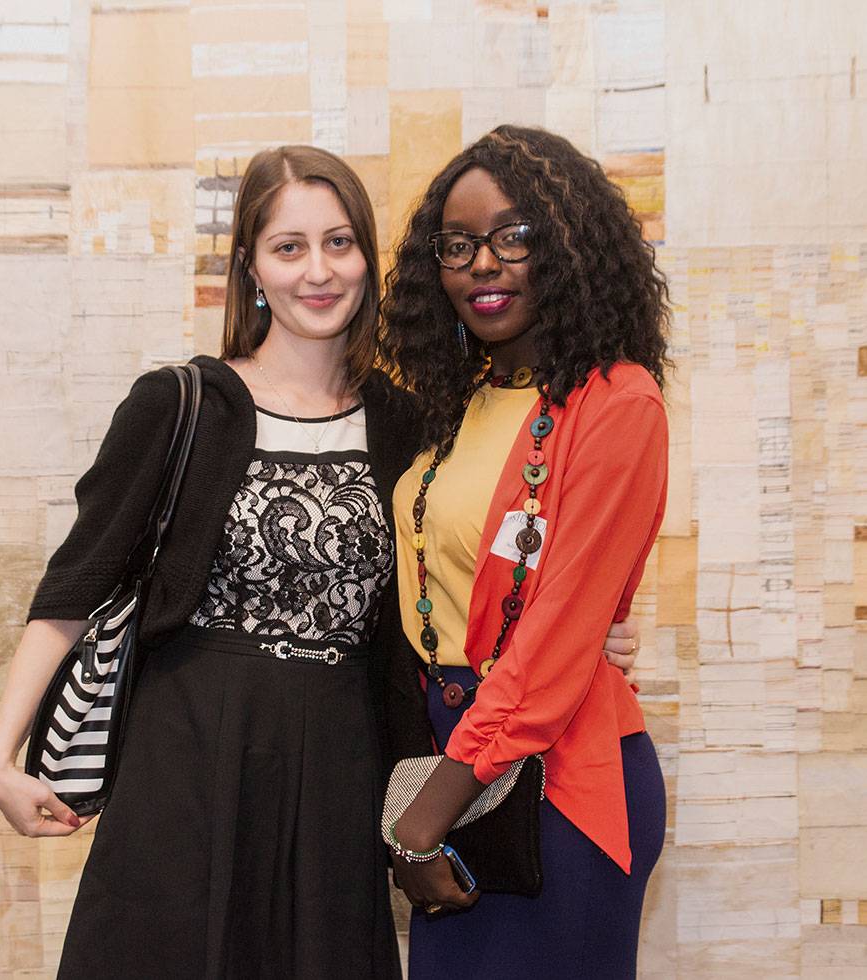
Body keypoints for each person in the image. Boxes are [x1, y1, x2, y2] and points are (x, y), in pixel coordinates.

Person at [0, 143, 643, 979]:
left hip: (340, 761)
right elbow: (78, 582)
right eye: (288, 248)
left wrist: (596, 634)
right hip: (187, 754)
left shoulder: (410, 421)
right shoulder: (180, 401)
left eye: (338, 243)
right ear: (252, 267)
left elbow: (451, 576)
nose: (317, 271)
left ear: (367, 257)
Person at [379, 124, 670, 980]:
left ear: (571, 245)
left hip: (561, 781)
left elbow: (553, 641)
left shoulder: (618, 403)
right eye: (459, 245)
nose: (483, 264)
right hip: (455, 761)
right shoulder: (453, 403)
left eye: (515, 236)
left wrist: (421, 821)